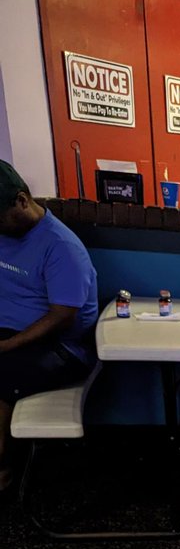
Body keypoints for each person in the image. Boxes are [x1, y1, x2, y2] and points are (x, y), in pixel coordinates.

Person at [0, 161, 98, 492]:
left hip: (62, 348)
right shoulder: (5, 234)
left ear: (22, 200)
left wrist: (7, 346)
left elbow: (62, 317)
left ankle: (3, 470)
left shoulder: (61, 247)